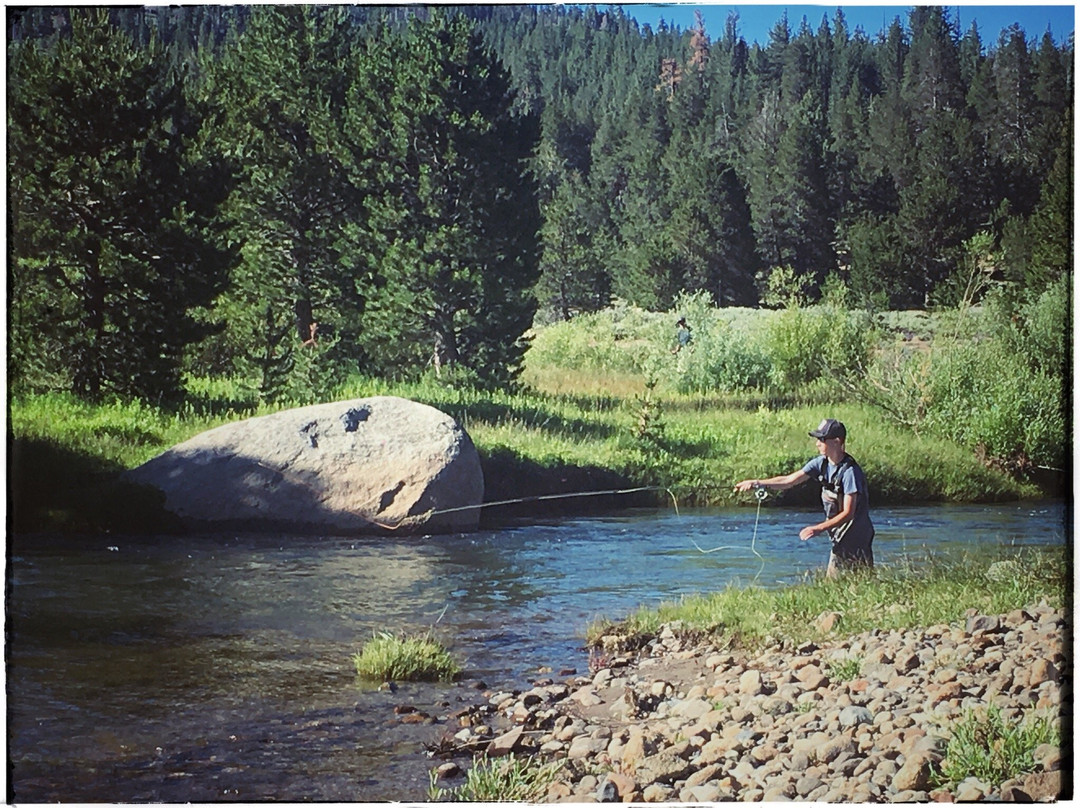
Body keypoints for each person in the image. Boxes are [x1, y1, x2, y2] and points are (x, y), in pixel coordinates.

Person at [734, 418, 874, 577]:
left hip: (857, 536)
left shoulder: (850, 473)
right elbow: (788, 480)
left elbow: (849, 512)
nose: (817, 443)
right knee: (843, 585)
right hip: (838, 535)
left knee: (853, 581)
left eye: (821, 439)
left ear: (836, 441)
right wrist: (756, 483)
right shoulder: (821, 463)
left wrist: (817, 528)